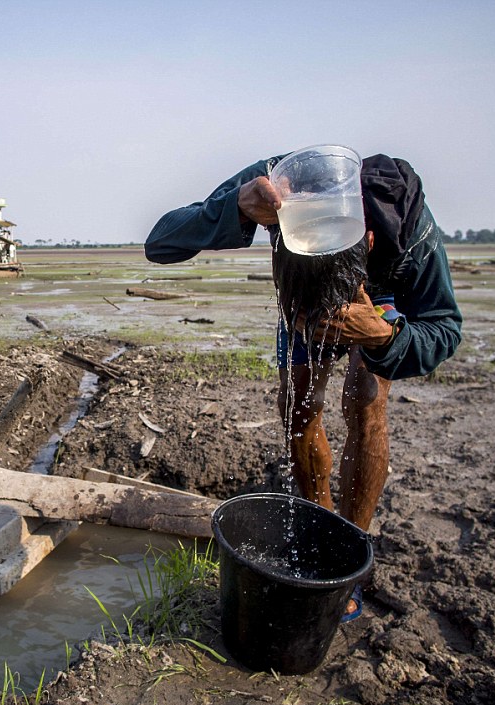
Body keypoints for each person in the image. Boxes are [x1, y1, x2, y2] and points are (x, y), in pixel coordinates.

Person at [144, 150, 462, 621]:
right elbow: (160, 243)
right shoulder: (278, 185)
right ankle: (318, 530)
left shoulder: (410, 229)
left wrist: (383, 335)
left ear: (369, 241)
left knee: (364, 399)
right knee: (298, 405)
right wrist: (235, 204)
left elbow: (445, 329)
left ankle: (349, 559)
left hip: (378, 296)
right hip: (302, 290)